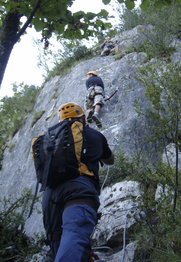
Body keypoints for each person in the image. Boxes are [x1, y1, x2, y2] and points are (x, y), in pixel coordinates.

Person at [41, 102, 114, 262]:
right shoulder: (94, 135)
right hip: (78, 190)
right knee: (75, 234)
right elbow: (110, 160)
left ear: (60, 122)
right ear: (83, 119)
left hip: (49, 195)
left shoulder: (51, 139)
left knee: (57, 243)